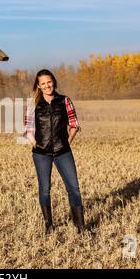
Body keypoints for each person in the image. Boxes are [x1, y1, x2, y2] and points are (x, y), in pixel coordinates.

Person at [23, 69, 85, 235]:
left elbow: (74, 124)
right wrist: (36, 144)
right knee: (45, 189)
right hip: (41, 154)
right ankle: (49, 226)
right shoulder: (32, 104)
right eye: (43, 83)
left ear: (53, 82)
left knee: (74, 188)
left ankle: (81, 227)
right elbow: (28, 128)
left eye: (49, 82)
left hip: (63, 151)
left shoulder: (64, 101)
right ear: (38, 86)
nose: (47, 85)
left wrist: (67, 141)